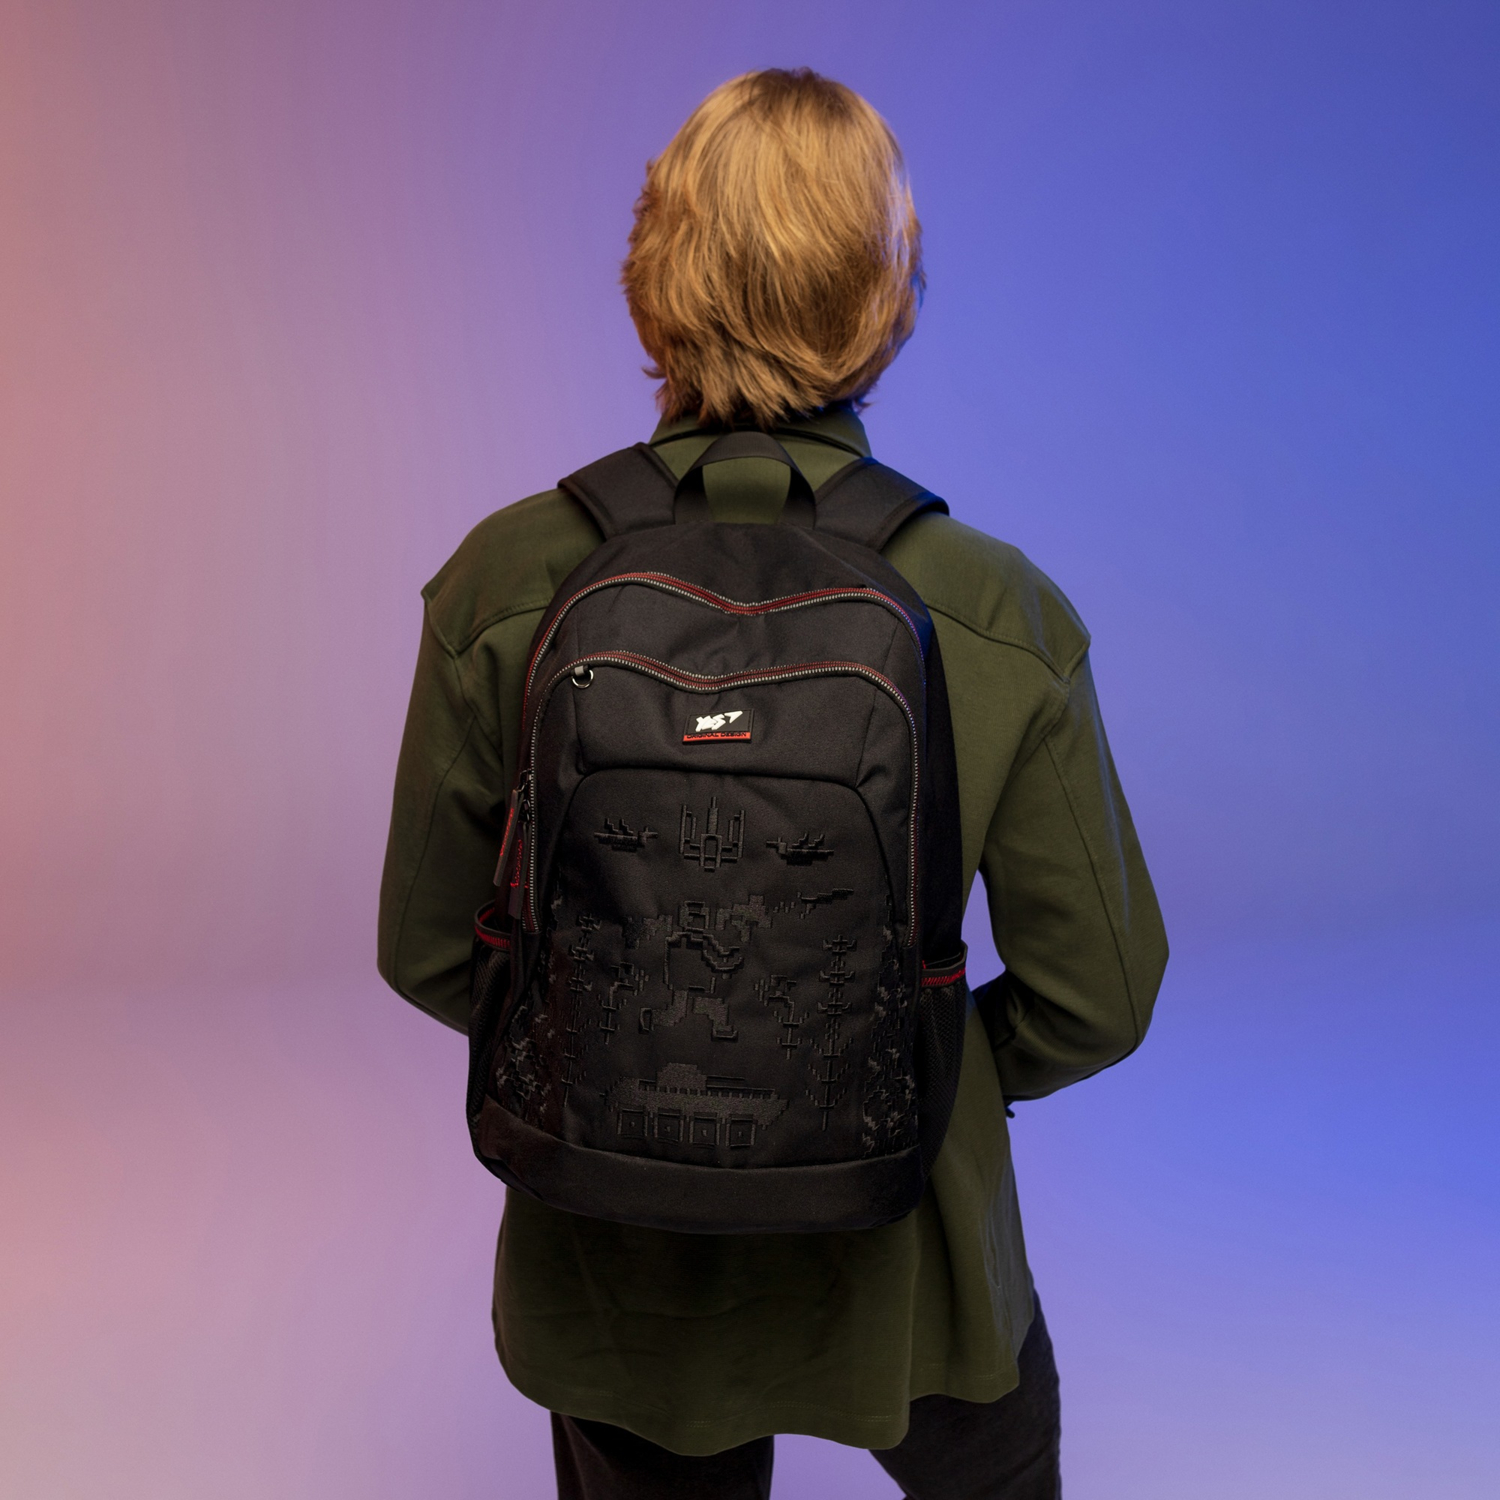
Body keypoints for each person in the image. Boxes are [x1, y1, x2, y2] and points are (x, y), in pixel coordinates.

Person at [379, 67, 1167, 1500]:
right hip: (910, 1248)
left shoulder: (502, 584)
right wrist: (894, 1054)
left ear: (654, 272)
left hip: (615, 1253)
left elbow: (431, 951)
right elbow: (1097, 998)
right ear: (885, 291)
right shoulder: (998, 611)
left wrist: (621, 1046)